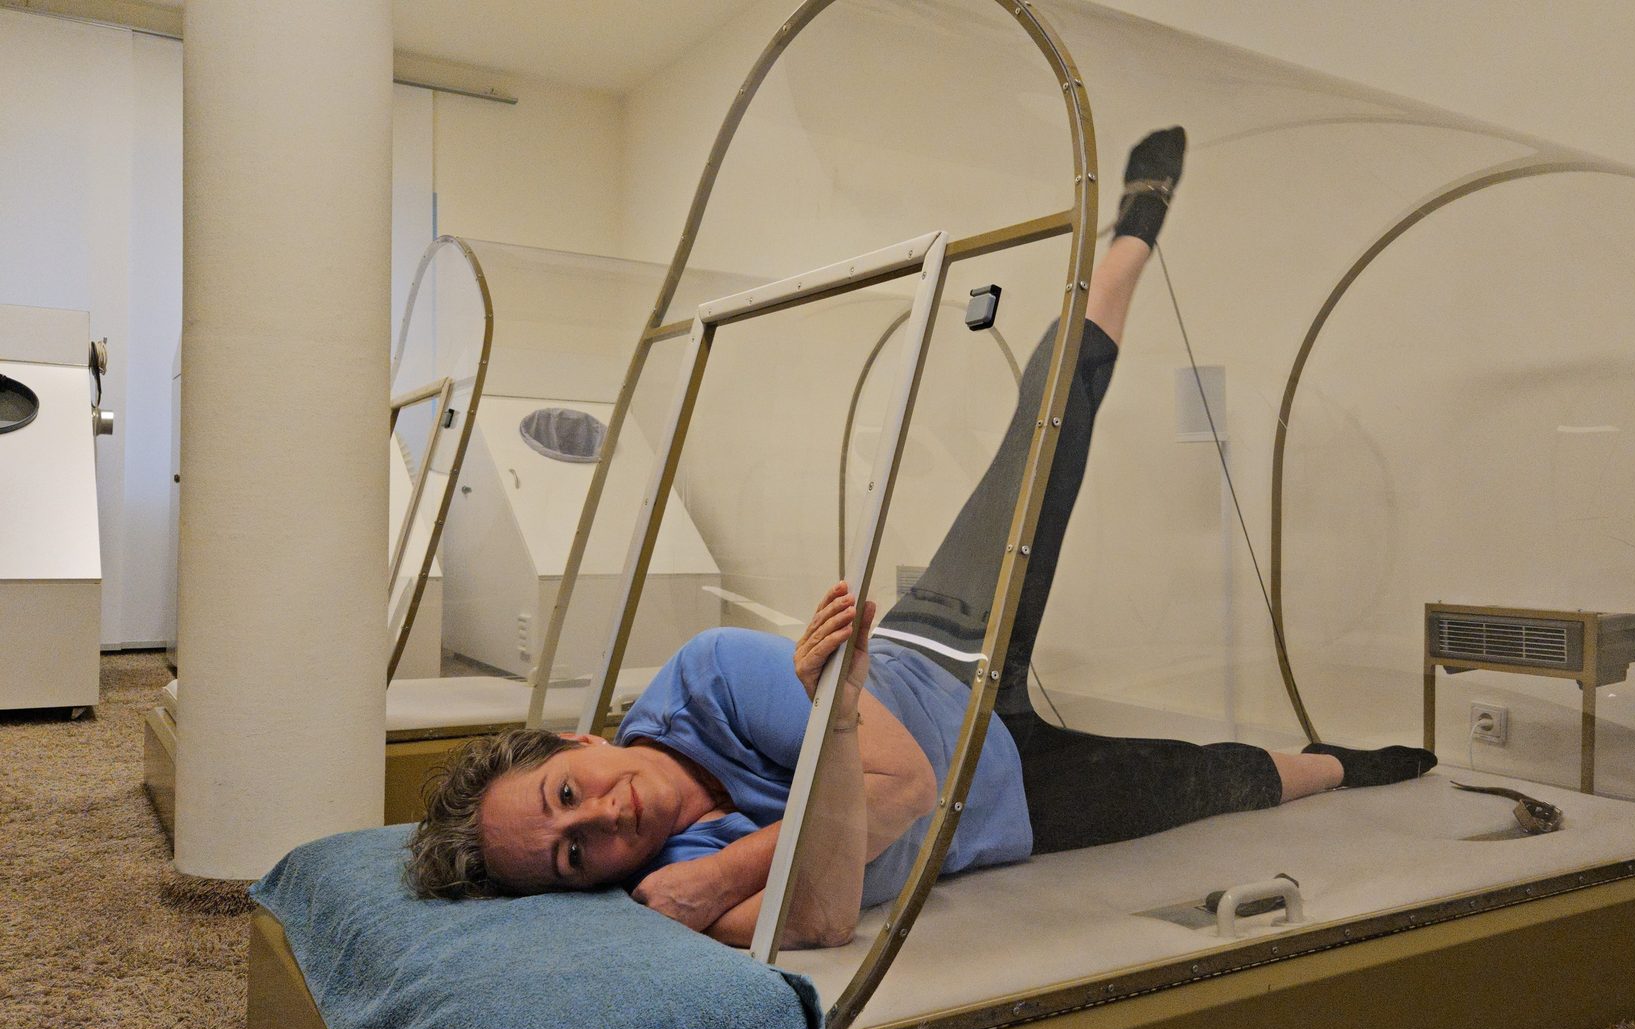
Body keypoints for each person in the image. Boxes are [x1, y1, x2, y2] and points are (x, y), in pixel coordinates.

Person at [404, 128, 1436, 947]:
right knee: (1220, 782)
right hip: (1012, 803)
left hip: (945, 650)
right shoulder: (669, 873)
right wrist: (754, 854)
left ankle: (1125, 243)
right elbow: (817, 921)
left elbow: (903, 790)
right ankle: (1338, 763)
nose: (601, 823)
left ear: (578, 744)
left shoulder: (705, 682)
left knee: (1045, 436)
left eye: (568, 795)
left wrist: (722, 873)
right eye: (576, 857)